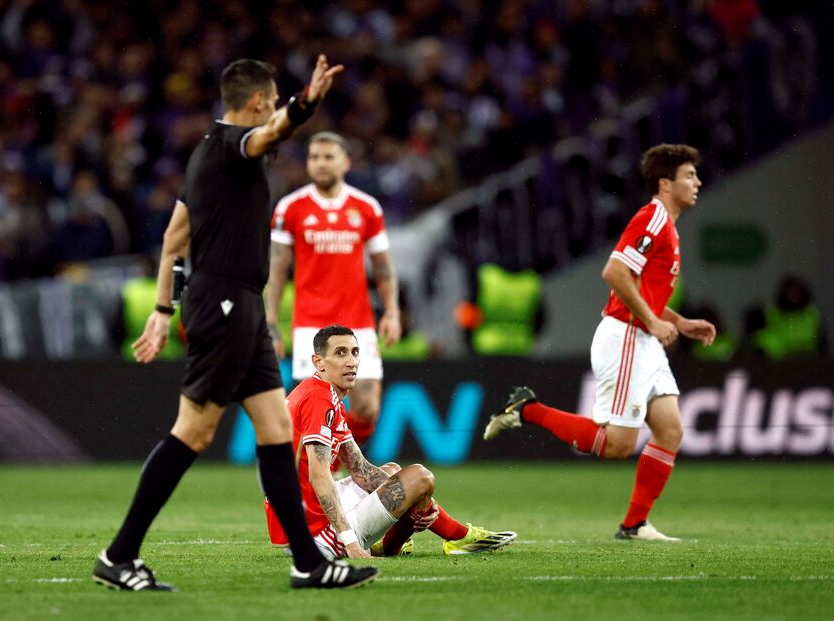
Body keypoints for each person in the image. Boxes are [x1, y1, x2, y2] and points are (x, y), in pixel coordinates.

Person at [92, 56, 378, 592]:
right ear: (257, 103)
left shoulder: (204, 158)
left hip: (240, 305)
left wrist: (160, 310)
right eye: (270, 103)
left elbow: (175, 238)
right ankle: (119, 555)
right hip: (222, 304)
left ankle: (308, 564)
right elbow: (270, 134)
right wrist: (307, 103)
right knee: (195, 432)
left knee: (275, 429)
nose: (272, 115)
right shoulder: (232, 146)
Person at [484, 144, 716, 542]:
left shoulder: (667, 225)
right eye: (689, 176)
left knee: (670, 431)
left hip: (644, 338)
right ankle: (529, 409)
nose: (697, 182)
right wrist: (652, 322)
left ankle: (634, 525)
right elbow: (615, 273)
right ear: (665, 183)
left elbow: (644, 289)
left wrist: (679, 322)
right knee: (617, 446)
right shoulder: (653, 219)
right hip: (626, 337)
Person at [266, 325, 516, 558]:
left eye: (354, 352)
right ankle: (442, 538)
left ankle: (428, 534)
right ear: (318, 362)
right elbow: (318, 476)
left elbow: (362, 472)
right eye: (340, 353)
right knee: (420, 477)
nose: (351, 361)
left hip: (296, 517)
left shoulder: (320, 393)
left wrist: (426, 508)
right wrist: (349, 540)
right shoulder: (318, 400)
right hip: (314, 534)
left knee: (393, 471)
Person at [266, 132, 400, 446]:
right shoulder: (290, 208)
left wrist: (391, 311)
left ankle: (338, 462)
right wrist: (270, 323)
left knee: (367, 408)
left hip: (358, 323)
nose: (320, 163)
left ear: (345, 162)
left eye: (328, 157)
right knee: (315, 410)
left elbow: (383, 267)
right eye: (314, 157)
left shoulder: (366, 208)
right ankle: (314, 484)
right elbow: (276, 269)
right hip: (311, 325)